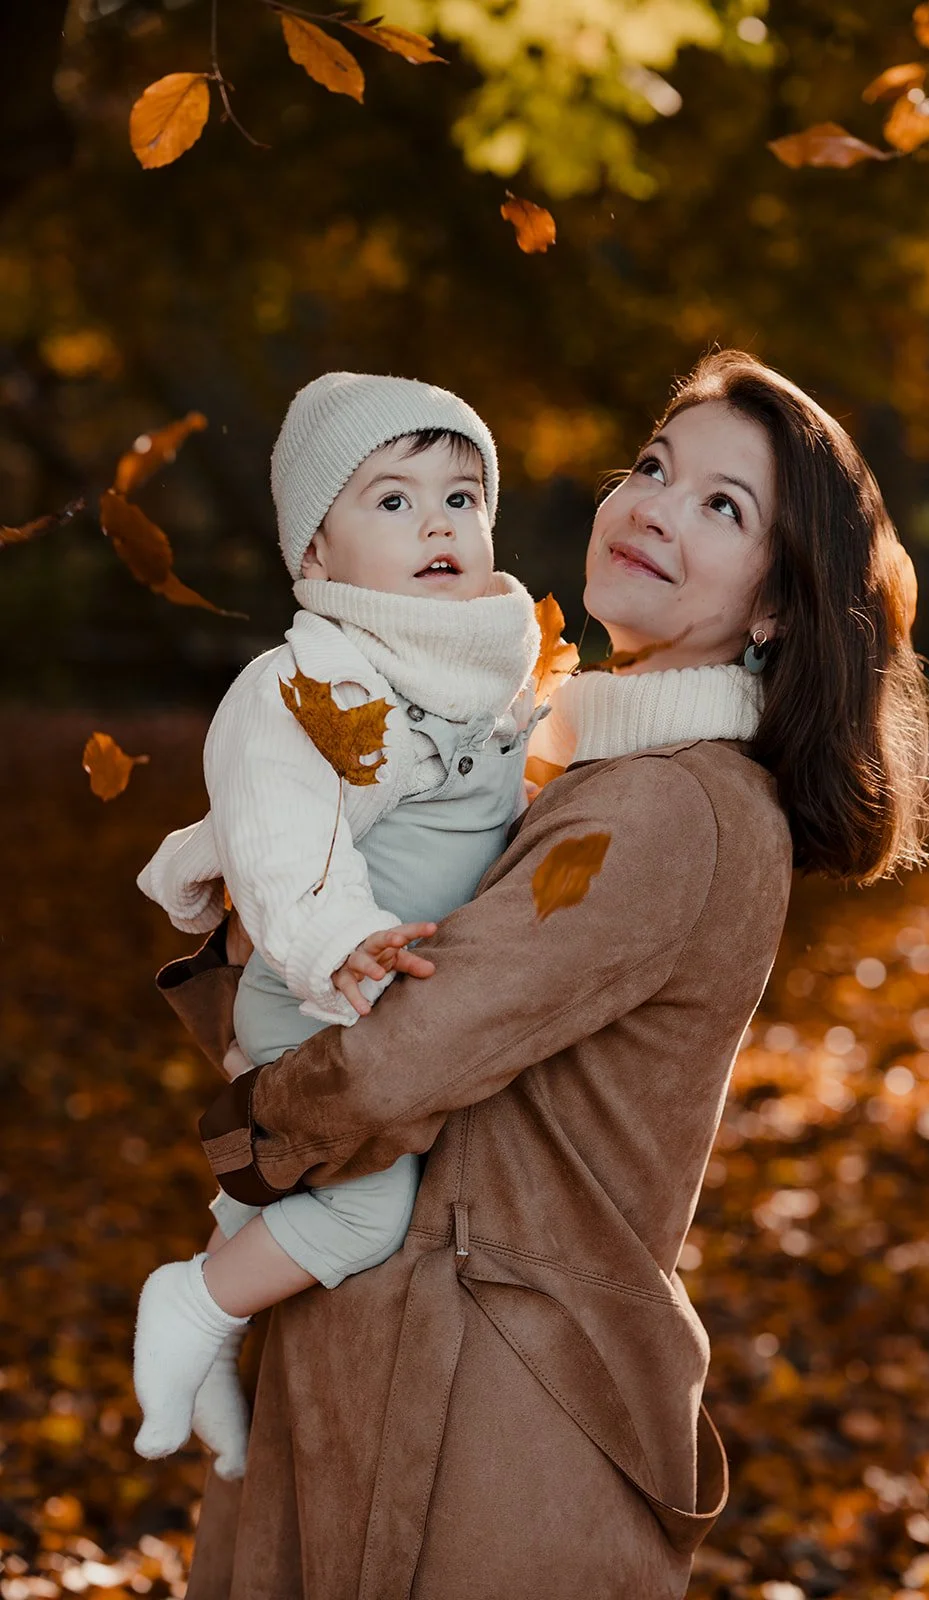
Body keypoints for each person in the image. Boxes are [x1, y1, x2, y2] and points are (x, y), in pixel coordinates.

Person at [156, 351, 929, 1600]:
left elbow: (398, 1053)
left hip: (485, 1406)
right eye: (653, 467)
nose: (655, 509)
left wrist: (248, 1126)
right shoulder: (568, 773)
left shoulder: (666, 807)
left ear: (775, 606)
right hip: (409, 1352)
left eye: (721, 506)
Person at [132, 373, 542, 1478]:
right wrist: (335, 939)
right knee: (365, 1213)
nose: (437, 525)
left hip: (392, 993)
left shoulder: (483, 667)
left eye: (460, 497)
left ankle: (207, 1346)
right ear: (315, 552)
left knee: (281, 1189)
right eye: (393, 501)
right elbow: (278, 833)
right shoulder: (305, 682)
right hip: (320, 990)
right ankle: (192, 1303)